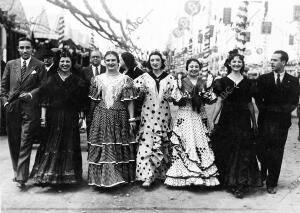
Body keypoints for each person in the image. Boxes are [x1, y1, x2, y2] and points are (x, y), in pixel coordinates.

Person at [30, 51, 87, 185]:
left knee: (69, 144)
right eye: (62, 61)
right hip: (53, 117)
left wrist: (81, 117)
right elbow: (44, 99)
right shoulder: (51, 79)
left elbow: (81, 102)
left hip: (71, 117)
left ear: (72, 63)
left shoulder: (78, 81)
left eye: (67, 61)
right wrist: (43, 118)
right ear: (58, 63)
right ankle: (48, 176)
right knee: (51, 144)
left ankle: (69, 178)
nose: (65, 64)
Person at [211, 49, 261, 198]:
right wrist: (213, 121)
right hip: (227, 119)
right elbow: (220, 101)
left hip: (243, 120)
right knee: (227, 148)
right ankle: (227, 181)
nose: (237, 64)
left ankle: (239, 183)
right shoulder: (223, 82)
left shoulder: (248, 82)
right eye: (234, 61)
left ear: (242, 64)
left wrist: (254, 123)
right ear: (229, 64)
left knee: (243, 150)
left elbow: (250, 104)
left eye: (239, 61)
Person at [164, 58, 219, 187]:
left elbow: (211, 100)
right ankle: (183, 176)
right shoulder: (181, 82)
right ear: (187, 68)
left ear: (199, 69)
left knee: (199, 141)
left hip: (198, 115)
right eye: (191, 67)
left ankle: (201, 175)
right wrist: (183, 97)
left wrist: (204, 95)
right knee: (185, 142)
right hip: (184, 114)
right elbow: (175, 101)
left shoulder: (204, 83)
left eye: (196, 67)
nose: (194, 69)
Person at [0, 37, 46, 188]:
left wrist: (31, 94)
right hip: (12, 108)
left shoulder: (39, 65)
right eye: (22, 48)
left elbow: (43, 86)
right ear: (18, 49)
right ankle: (16, 171)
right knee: (14, 141)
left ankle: (21, 176)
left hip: (30, 108)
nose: (25, 50)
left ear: (32, 49)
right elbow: (3, 87)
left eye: (28, 47)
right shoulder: (10, 64)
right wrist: (6, 102)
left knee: (25, 141)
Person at [87, 51, 137, 188]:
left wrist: (132, 118)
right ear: (104, 61)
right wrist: (89, 118)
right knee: (104, 145)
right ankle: (104, 179)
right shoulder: (98, 79)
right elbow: (94, 101)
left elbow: (130, 101)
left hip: (119, 115)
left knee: (117, 144)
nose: (110, 63)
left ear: (118, 62)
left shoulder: (125, 79)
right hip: (101, 114)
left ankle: (118, 178)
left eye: (113, 60)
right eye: (108, 60)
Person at [255, 50, 299, 194]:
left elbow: (294, 102)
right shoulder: (263, 79)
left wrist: (280, 111)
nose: (272, 62)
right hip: (264, 120)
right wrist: (266, 110)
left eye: (275, 60)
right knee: (261, 149)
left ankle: (271, 182)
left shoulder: (293, 81)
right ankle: (263, 173)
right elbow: (257, 98)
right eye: (271, 60)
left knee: (276, 152)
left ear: (283, 62)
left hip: (281, 123)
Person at [134, 51, 179, 187]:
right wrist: (139, 92)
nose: (154, 62)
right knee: (147, 143)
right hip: (147, 114)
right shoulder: (144, 77)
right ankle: (147, 176)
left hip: (164, 115)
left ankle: (161, 174)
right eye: (152, 60)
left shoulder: (170, 78)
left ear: (161, 62)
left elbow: (176, 97)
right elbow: (134, 94)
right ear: (149, 62)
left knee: (163, 143)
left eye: (157, 60)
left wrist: (171, 97)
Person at [82, 50, 106, 139]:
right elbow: (83, 88)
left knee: (103, 125)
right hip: (89, 104)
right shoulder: (84, 70)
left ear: (101, 58)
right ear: (90, 59)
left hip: (103, 102)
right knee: (90, 123)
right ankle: (90, 145)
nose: (95, 58)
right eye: (93, 57)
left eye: (97, 57)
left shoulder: (106, 69)